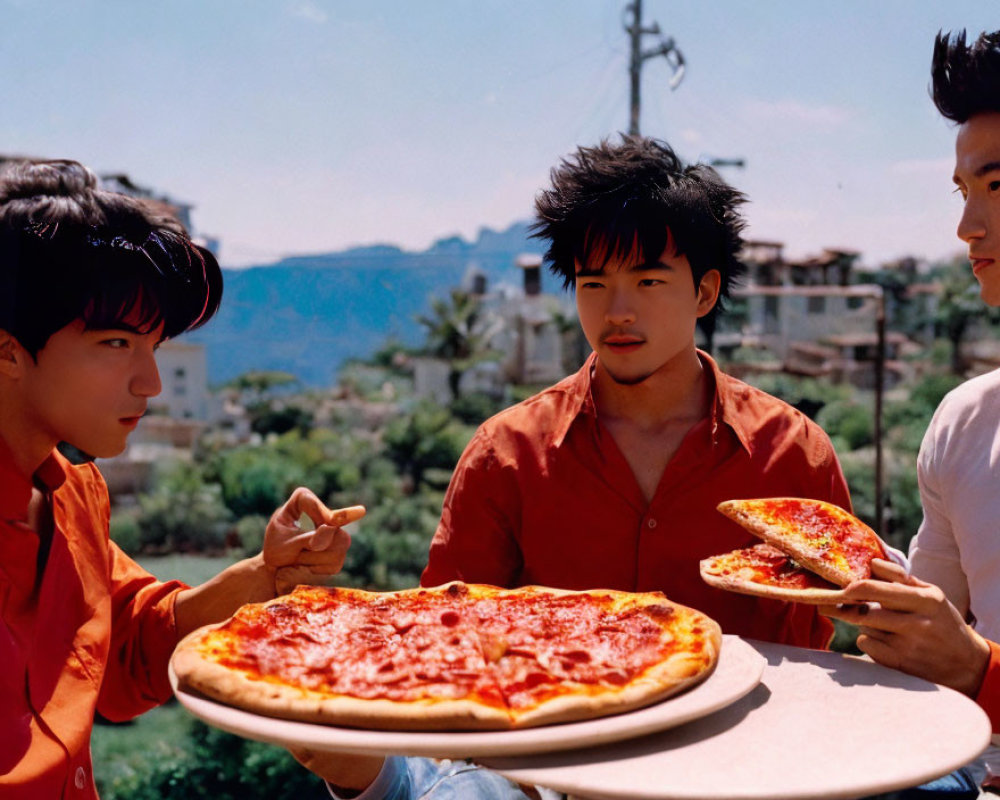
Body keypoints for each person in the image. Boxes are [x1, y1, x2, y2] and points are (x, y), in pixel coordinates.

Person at [0, 158, 361, 799]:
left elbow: (128, 650)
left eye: (154, 347)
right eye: (115, 344)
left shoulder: (75, 498)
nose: (152, 384)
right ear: (7, 351)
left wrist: (263, 576)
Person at [422, 134, 857, 648]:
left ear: (705, 292)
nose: (617, 312)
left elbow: (819, 633)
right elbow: (447, 634)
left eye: (648, 282)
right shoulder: (507, 454)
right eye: (594, 284)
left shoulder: (794, 454)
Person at [822, 29, 1000, 796]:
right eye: (964, 193)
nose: (967, 230)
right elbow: (921, 646)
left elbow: (964, 660)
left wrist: (977, 668)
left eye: (999, 187)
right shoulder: (966, 420)